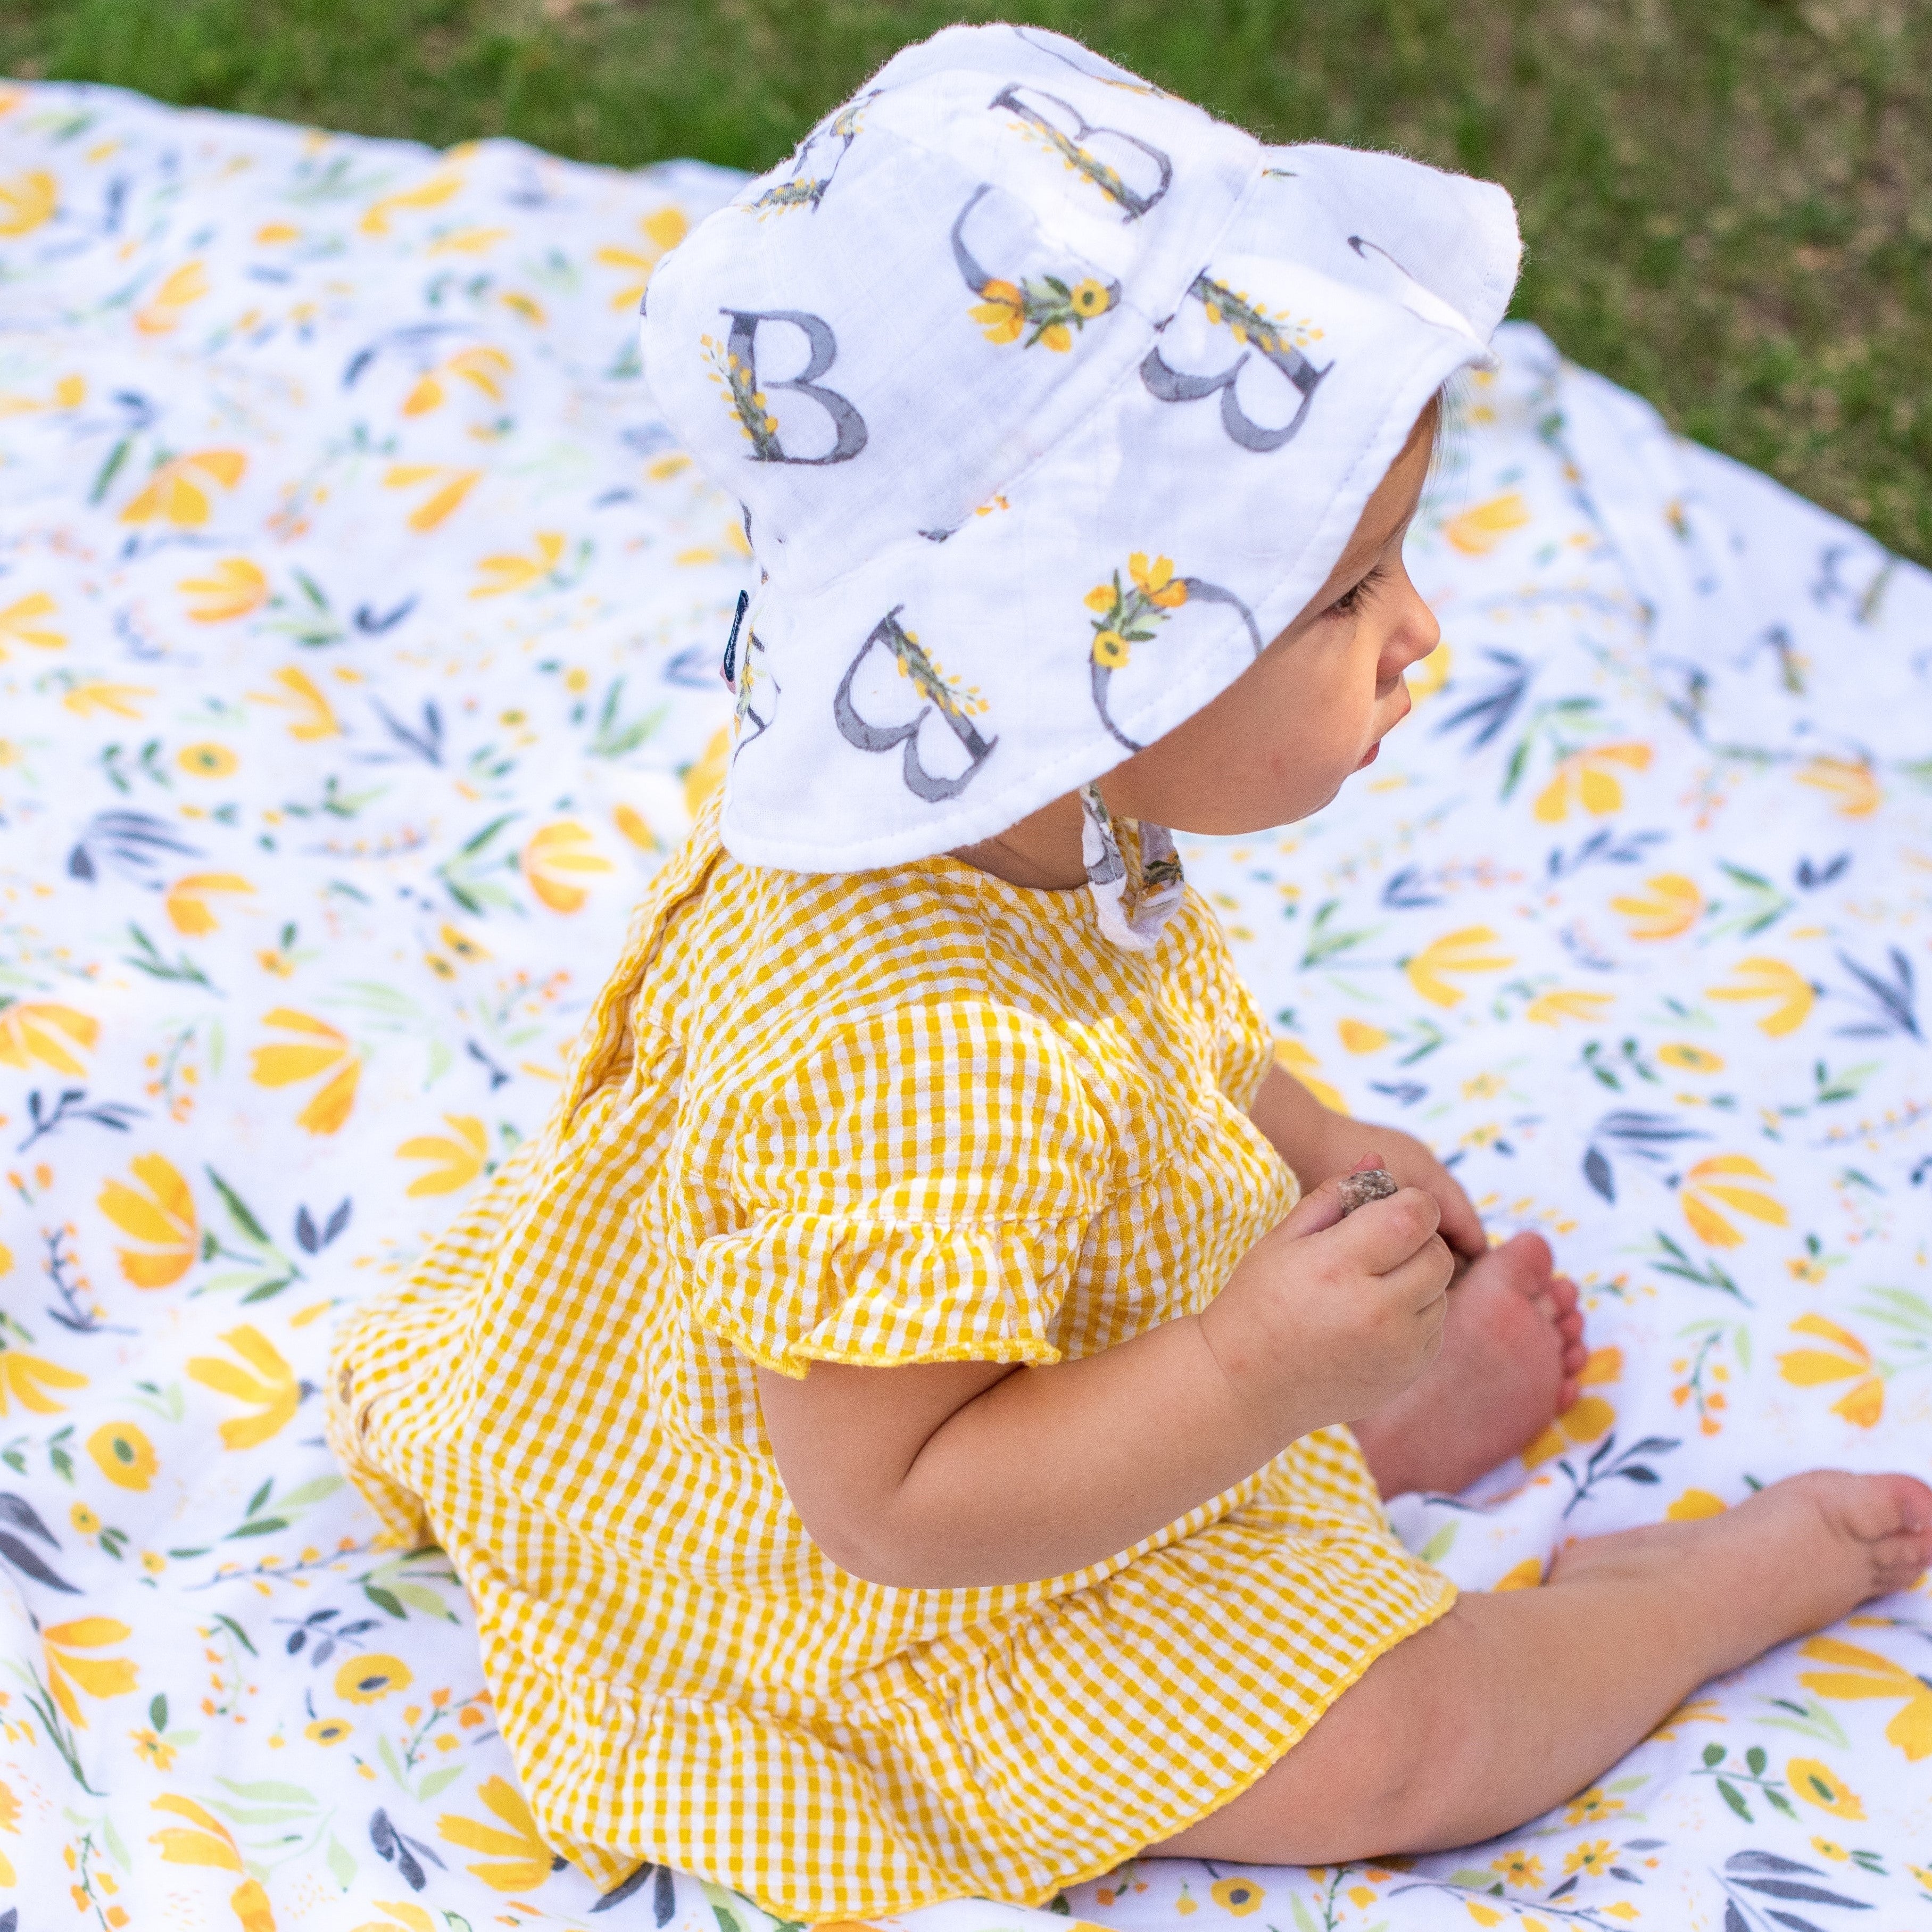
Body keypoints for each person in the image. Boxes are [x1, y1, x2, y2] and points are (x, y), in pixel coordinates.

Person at [326, 24, 1932, 1921]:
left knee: (1236, 1356)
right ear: (1074, 676)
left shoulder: (997, 807)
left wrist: (1317, 1131)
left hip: (1022, 1373)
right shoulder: (913, 1069)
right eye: (1344, 596)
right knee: (1411, 1751)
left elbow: (1157, 1008)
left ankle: (1335, 1436)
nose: (1421, 631)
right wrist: (1255, 1364)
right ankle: (1666, 1601)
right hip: (870, 1587)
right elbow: (893, 1506)